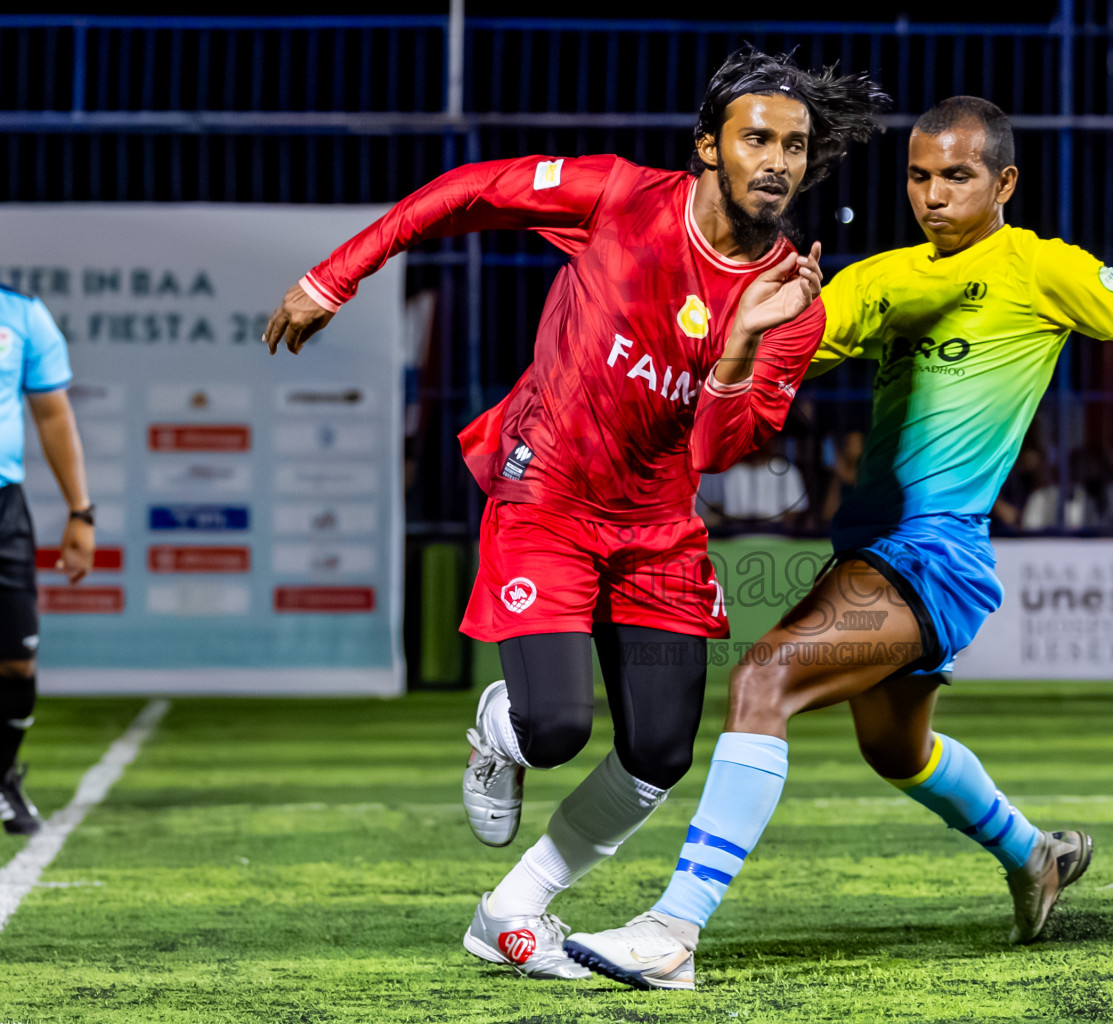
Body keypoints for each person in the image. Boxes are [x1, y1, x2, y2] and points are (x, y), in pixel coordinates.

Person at [563, 96, 1113, 991]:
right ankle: (1035, 855)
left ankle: (674, 930)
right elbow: (756, 361)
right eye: (918, 176)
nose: (934, 195)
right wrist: (737, 323)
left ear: (1004, 182)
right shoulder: (880, 280)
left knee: (761, 681)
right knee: (896, 748)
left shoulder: (1043, 269)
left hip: (933, 557)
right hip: (874, 548)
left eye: (957, 176)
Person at [261, 48, 887, 979]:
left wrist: (746, 336)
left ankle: (511, 907)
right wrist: (335, 275)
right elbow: (470, 190)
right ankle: (498, 730)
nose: (779, 162)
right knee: (554, 730)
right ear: (707, 146)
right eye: (758, 137)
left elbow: (716, 449)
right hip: (547, 491)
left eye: (796, 147)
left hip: (659, 527)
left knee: (660, 753)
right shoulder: (621, 199)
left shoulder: (794, 301)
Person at [0, 284, 94, 835]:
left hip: (3, 506)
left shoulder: (23, 313)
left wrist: (81, 512)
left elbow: (54, 415)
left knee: (16, 661)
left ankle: (2, 774)